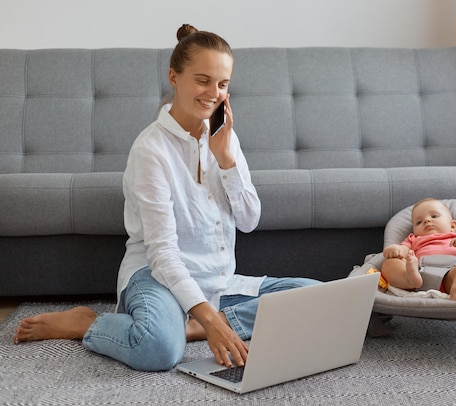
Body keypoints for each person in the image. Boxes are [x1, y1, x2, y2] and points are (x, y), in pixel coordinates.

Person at [12, 24, 319, 371]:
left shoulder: (225, 139)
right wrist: (214, 321)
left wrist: (227, 160)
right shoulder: (150, 150)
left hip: (215, 282)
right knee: (157, 349)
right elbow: (162, 254)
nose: (213, 93)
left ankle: (191, 326)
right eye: (203, 80)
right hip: (155, 275)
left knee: (313, 296)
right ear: (174, 77)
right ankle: (87, 323)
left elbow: (249, 221)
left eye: (222, 84)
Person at [381, 198, 456, 300]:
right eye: (419, 222)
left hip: (450, 274)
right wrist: (396, 250)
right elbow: (403, 250)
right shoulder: (414, 239)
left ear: (453, 226)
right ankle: (408, 280)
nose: (427, 221)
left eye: (434, 216)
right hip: (419, 271)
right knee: (389, 263)